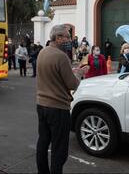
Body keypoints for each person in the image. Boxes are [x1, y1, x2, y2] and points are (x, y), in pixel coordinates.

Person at [36, 24, 87, 174]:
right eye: (67, 36)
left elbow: (53, 74)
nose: (69, 39)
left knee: (43, 142)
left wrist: (71, 72)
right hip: (58, 108)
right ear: (58, 38)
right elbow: (72, 84)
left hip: (41, 104)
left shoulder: (43, 52)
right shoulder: (61, 56)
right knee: (59, 149)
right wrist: (80, 73)